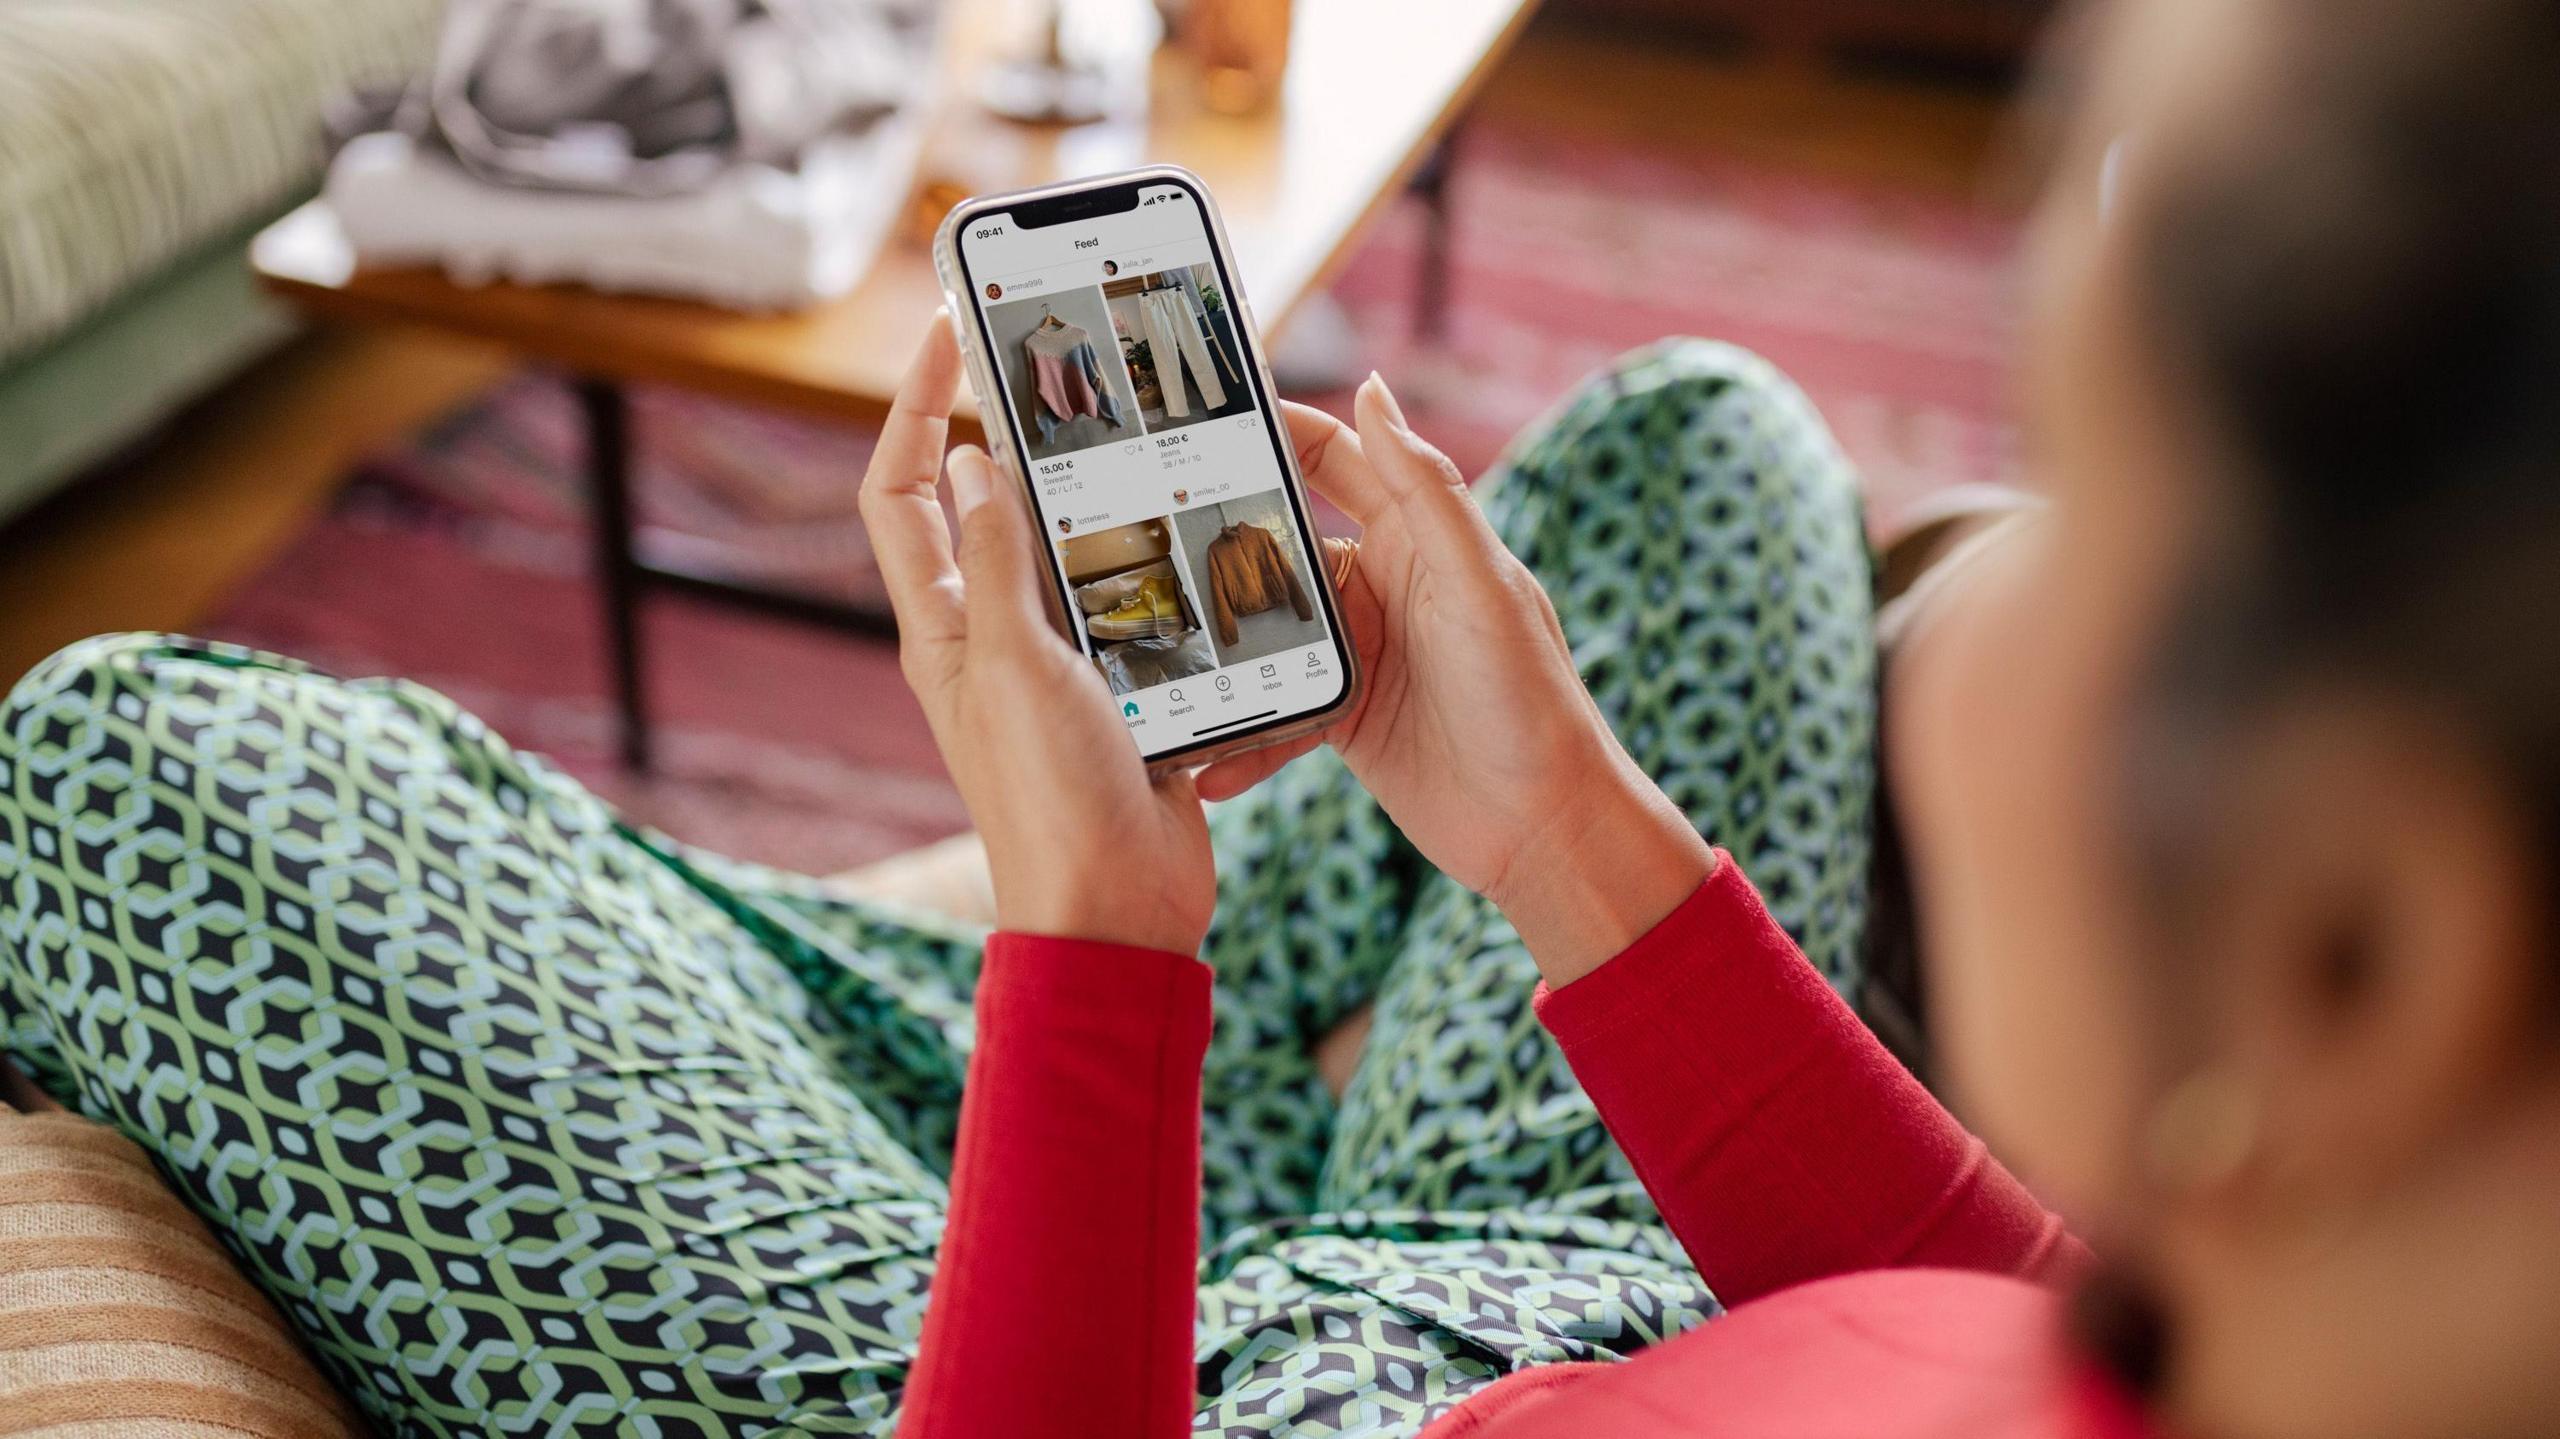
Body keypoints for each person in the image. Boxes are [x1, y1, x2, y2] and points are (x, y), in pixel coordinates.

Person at [6, 0, 2559, 1435]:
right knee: (1700, 436)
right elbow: (1996, 1326)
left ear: (2360, 945)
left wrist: (1095, 941)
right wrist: (1551, 826)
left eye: (2072, 507)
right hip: (1580, 1258)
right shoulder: (2332, 1339)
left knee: (115, 764)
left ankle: (1138, 1059)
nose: (1967, 583)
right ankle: (1219, 1066)